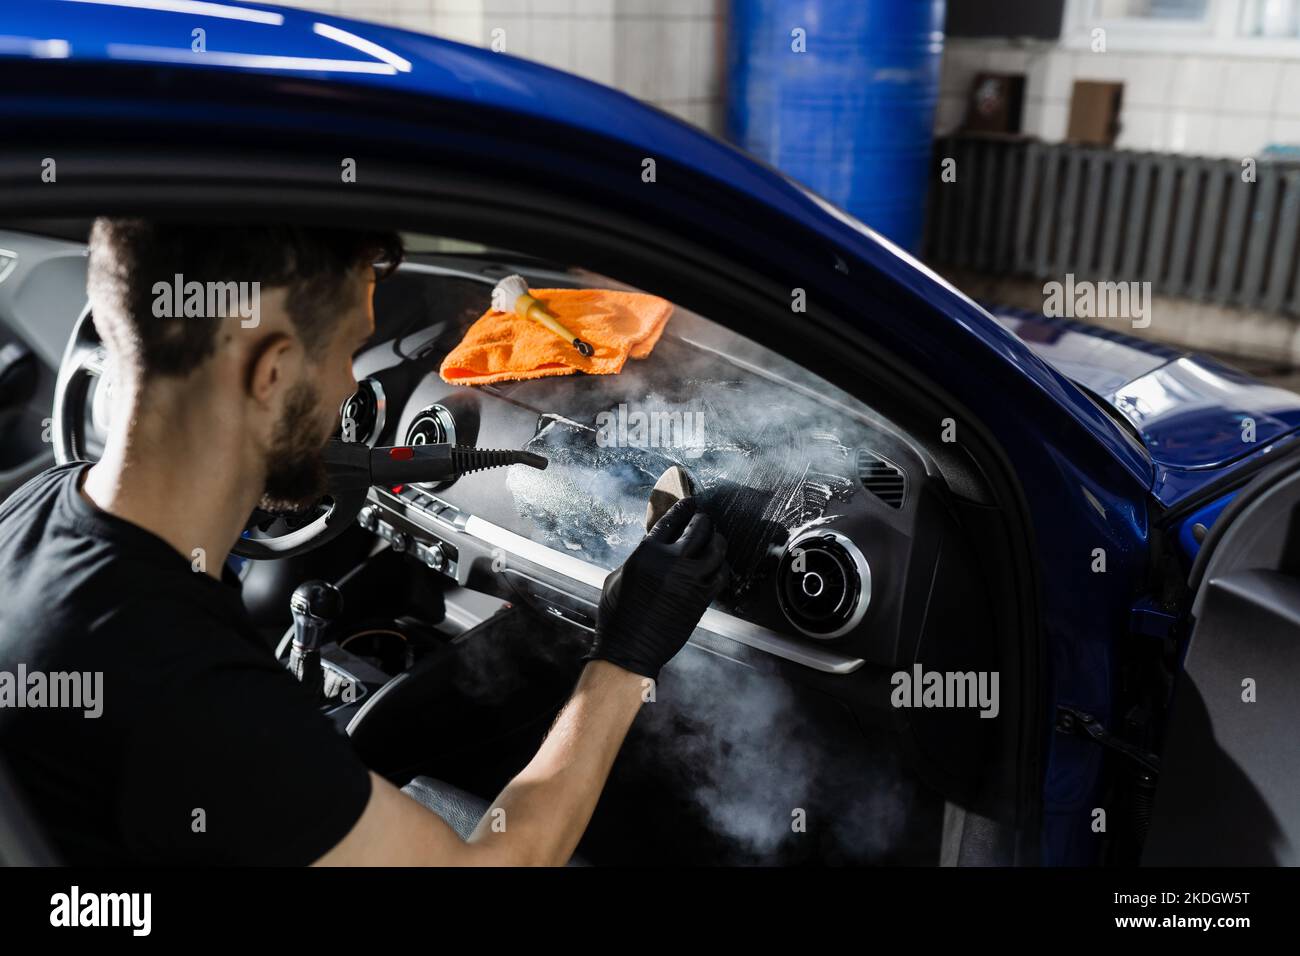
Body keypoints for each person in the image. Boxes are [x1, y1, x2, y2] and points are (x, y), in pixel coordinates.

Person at [0, 219, 728, 865]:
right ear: (273, 371)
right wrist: (624, 658)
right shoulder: (194, 702)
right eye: (349, 351)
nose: (354, 383)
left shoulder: (35, 511)